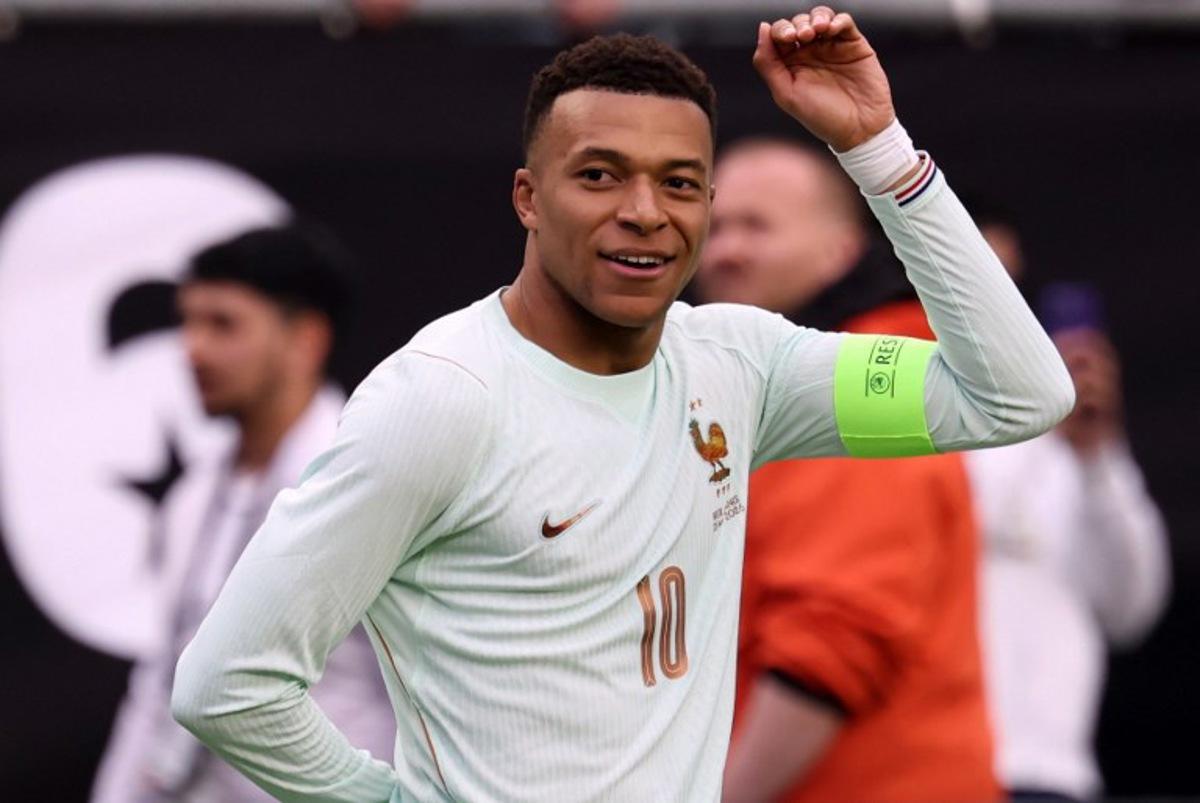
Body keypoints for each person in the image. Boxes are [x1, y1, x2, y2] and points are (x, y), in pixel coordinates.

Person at [170, 9, 1075, 801]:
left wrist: (877, 149)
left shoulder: (738, 362)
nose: (646, 210)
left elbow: (1018, 395)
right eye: (600, 175)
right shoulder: (441, 398)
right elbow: (228, 683)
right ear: (528, 197)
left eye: (680, 183)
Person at [695, 139, 998, 802]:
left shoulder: (862, 381)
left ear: (840, 250)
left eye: (757, 225)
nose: (724, 250)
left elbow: (826, 652)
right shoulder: (771, 382)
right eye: (713, 226)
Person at [91, 225, 394, 802]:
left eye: (223, 324)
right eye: (188, 321)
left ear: (306, 339)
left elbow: (428, 698)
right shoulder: (192, 496)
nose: (192, 348)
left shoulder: (370, 486)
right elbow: (159, 684)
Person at [969, 223, 1170, 801]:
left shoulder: (1080, 460)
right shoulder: (930, 426)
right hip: (945, 762)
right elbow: (975, 517)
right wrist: (1042, 416)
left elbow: (1132, 608)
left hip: (1053, 775)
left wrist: (1099, 457)